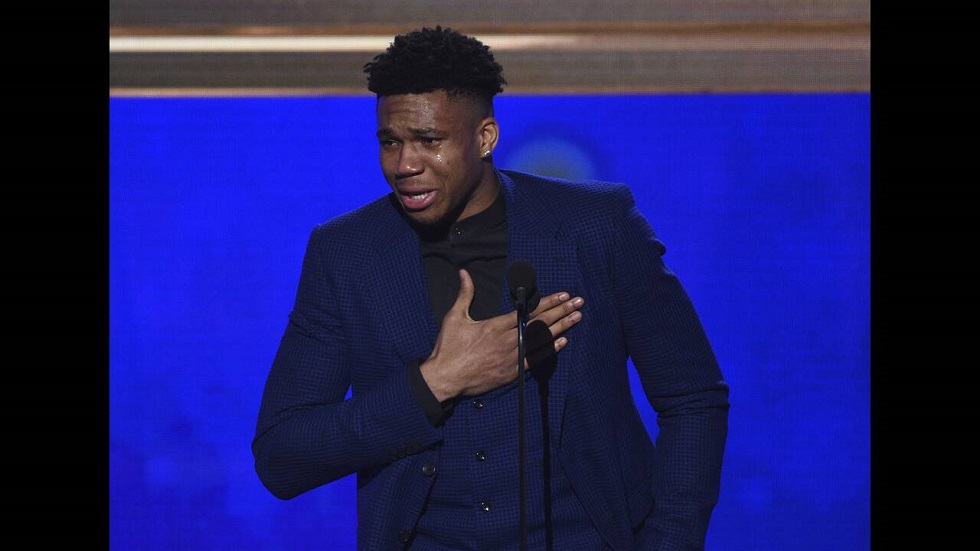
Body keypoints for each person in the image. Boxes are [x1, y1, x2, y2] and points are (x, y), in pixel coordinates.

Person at [252, 25, 730, 551]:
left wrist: (668, 542)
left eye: (430, 141)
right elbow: (281, 455)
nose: (404, 165)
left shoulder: (596, 226)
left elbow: (693, 397)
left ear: (485, 138)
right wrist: (435, 383)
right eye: (390, 142)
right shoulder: (346, 254)